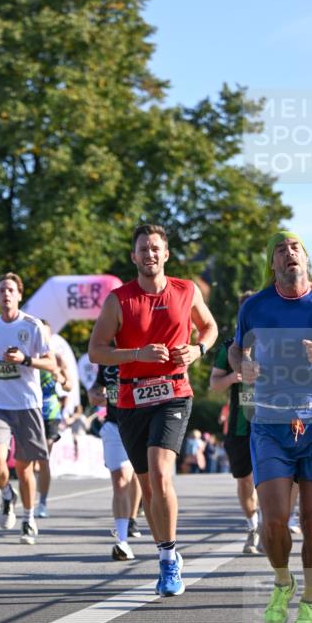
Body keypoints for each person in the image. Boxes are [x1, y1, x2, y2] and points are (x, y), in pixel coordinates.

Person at [230, 231, 312, 623]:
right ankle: (283, 581)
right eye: (280, 250)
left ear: (305, 258)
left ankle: (310, 601)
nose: (289, 254)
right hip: (270, 423)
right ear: (272, 264)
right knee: (273, 521)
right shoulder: (255, 306)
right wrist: (243, 365)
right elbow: (236, 348)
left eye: (295, 248)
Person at [88, 223, 218, 596]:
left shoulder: (186, 290)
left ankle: (168, 560)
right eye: (143, 249)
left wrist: (197, 350)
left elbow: (209, 327)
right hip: (131, 399)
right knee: (146, 486)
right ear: (134, 256)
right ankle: (165, 552)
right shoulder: (118, 300)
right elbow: (96, 350)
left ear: (166, 254)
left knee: (161, 474)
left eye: (155, 248)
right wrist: (137, 354)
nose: (150, 254)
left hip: (174, 392)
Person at [0, 272, 57, 545]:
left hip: (28, 405)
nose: (6, 294)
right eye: (2, 290)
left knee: (24, 469)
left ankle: (29, 518)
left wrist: (25, 359)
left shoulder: (32, 325)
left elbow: (51, 363)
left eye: (11, 290)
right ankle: (7, 495)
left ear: (19, 295)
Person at [210, 290, 262, 554]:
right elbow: (214, 384)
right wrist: (232, 378)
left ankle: (273, 524)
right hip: (240, 425)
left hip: (270, 423)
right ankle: (253, 526)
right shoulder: (229, 347)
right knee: (244, 481)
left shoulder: (274, 344)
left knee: (276, 479)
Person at [88, 362, 143, 561]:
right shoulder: (107, 355)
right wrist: (94, 393)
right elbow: (98, 385)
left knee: (139, 476)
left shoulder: (145, 351)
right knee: (120, 481)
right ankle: (122, 541)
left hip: (141, 423)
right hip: (114, 425)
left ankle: (133, 518)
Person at [36, 320, 73, 518]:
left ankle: (42, 502)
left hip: (50, 413)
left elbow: (69, 386)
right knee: (30, 461)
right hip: (29, 410)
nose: (42, 337)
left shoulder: (57, 358)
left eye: (45, 334)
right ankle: (31, 497)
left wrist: (62, 379)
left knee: (43, 458)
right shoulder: (28, 356)